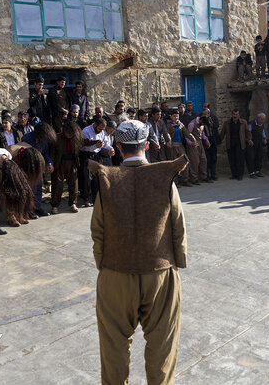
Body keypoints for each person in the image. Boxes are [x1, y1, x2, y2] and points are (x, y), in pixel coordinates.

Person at [88, 120, 187, 385]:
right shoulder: (164, 177)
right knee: (162, 350)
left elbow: (97, 231)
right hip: (160, 273)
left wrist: (105, 265)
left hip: (114, 275)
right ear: (146, 145)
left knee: (113, 351)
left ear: (119, 148)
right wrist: (175, 264)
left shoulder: (107, 179)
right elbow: (178, 226)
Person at [22, 122, 57, 217]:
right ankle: (29, 210)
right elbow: (22, 153)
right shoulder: (26, 138)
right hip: (28, 168)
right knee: (30, 189)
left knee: (38, 188)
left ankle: (37, 207)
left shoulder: (44, 141)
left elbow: (46, 154)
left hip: (39, 168)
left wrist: (49, 163)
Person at [79, 117, 114, 207]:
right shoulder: (86, 131)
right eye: (99, 128)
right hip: (86, 155)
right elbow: (85, 146)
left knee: (97, 178)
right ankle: (85, 198)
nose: (100, 131)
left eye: (102, 129)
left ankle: (96, 198)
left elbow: (105, 143)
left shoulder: (102, 132)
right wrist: (96, 145)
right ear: (95, 125)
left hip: (97, 156)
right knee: (86, 178)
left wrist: (110, 149)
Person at [51, 121, 83, 214]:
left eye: (72, 133)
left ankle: (73, 203)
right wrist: (51, 164)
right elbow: (52, 152)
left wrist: (95, 142)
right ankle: (55, 205)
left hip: (72, 162)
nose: (70, 135)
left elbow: (84, 141)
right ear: (64, 131)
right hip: (59, 163)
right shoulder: (57, 137)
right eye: (68, 133)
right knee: (58, 185)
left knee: (74, 183)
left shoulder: (75, 137)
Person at [219, 109, 252, 180]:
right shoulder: (227, 123)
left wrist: (249, 139)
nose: (235, 116)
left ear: (239, 115)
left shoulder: (243, 122)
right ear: (232, 114)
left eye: (236, 114)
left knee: (240, 160)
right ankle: (234, 174)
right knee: (232, 159)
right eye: (234, 114)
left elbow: (247, 132)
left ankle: (240, 175)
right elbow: (222, 133)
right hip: (231, 143)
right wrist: (219, 141)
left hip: (240, 143)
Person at [166, 109, 194, 187]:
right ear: (171, 117)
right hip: (172, 147)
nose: (176, 118)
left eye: (177, 116)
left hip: (180, 146)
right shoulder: (168, 125)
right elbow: (166, 134)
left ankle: (185, 180)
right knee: (174, 165)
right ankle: (175, 182)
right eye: (174, 116)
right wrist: (168, 141)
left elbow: (187, 133)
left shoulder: (181, 124)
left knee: (184, 162)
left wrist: (193, 140)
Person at [186, 116, 210, 184]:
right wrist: (191, 143)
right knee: (194, 161)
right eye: (203, 123)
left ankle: (203, 177)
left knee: (203, 160)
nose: (203, 125)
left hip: (200, 143)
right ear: (201, 120)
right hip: (193, 144)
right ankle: (194, 178)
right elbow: (187, 135)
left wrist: (206, 140)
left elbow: (202, 133)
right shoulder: (192, 124)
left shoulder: (201, 125)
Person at [201, 105, 220, 181]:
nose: (205, 116)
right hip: (205, 140)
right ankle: (206, 175)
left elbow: (216, 127)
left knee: (213, 158)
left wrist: (210, 122)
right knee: (207, 158)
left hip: (213, 139)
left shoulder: (213, 118)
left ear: (209, 114)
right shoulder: (201, 119)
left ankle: (213, 174)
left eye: (206, 114)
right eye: (203, 114)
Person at [246, 113, 267, 178]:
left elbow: (262, 131)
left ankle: (257, 171)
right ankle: (251, 172)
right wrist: (249, 139)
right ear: (258, 118)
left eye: (263, 119)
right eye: (261, 119)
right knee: (251, 157)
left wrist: (264, 138)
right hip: (252, 141)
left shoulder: (262, 124)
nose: (263, 121)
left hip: (259, 141)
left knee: (259, 156)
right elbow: (248, 132)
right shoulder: (251, 123)